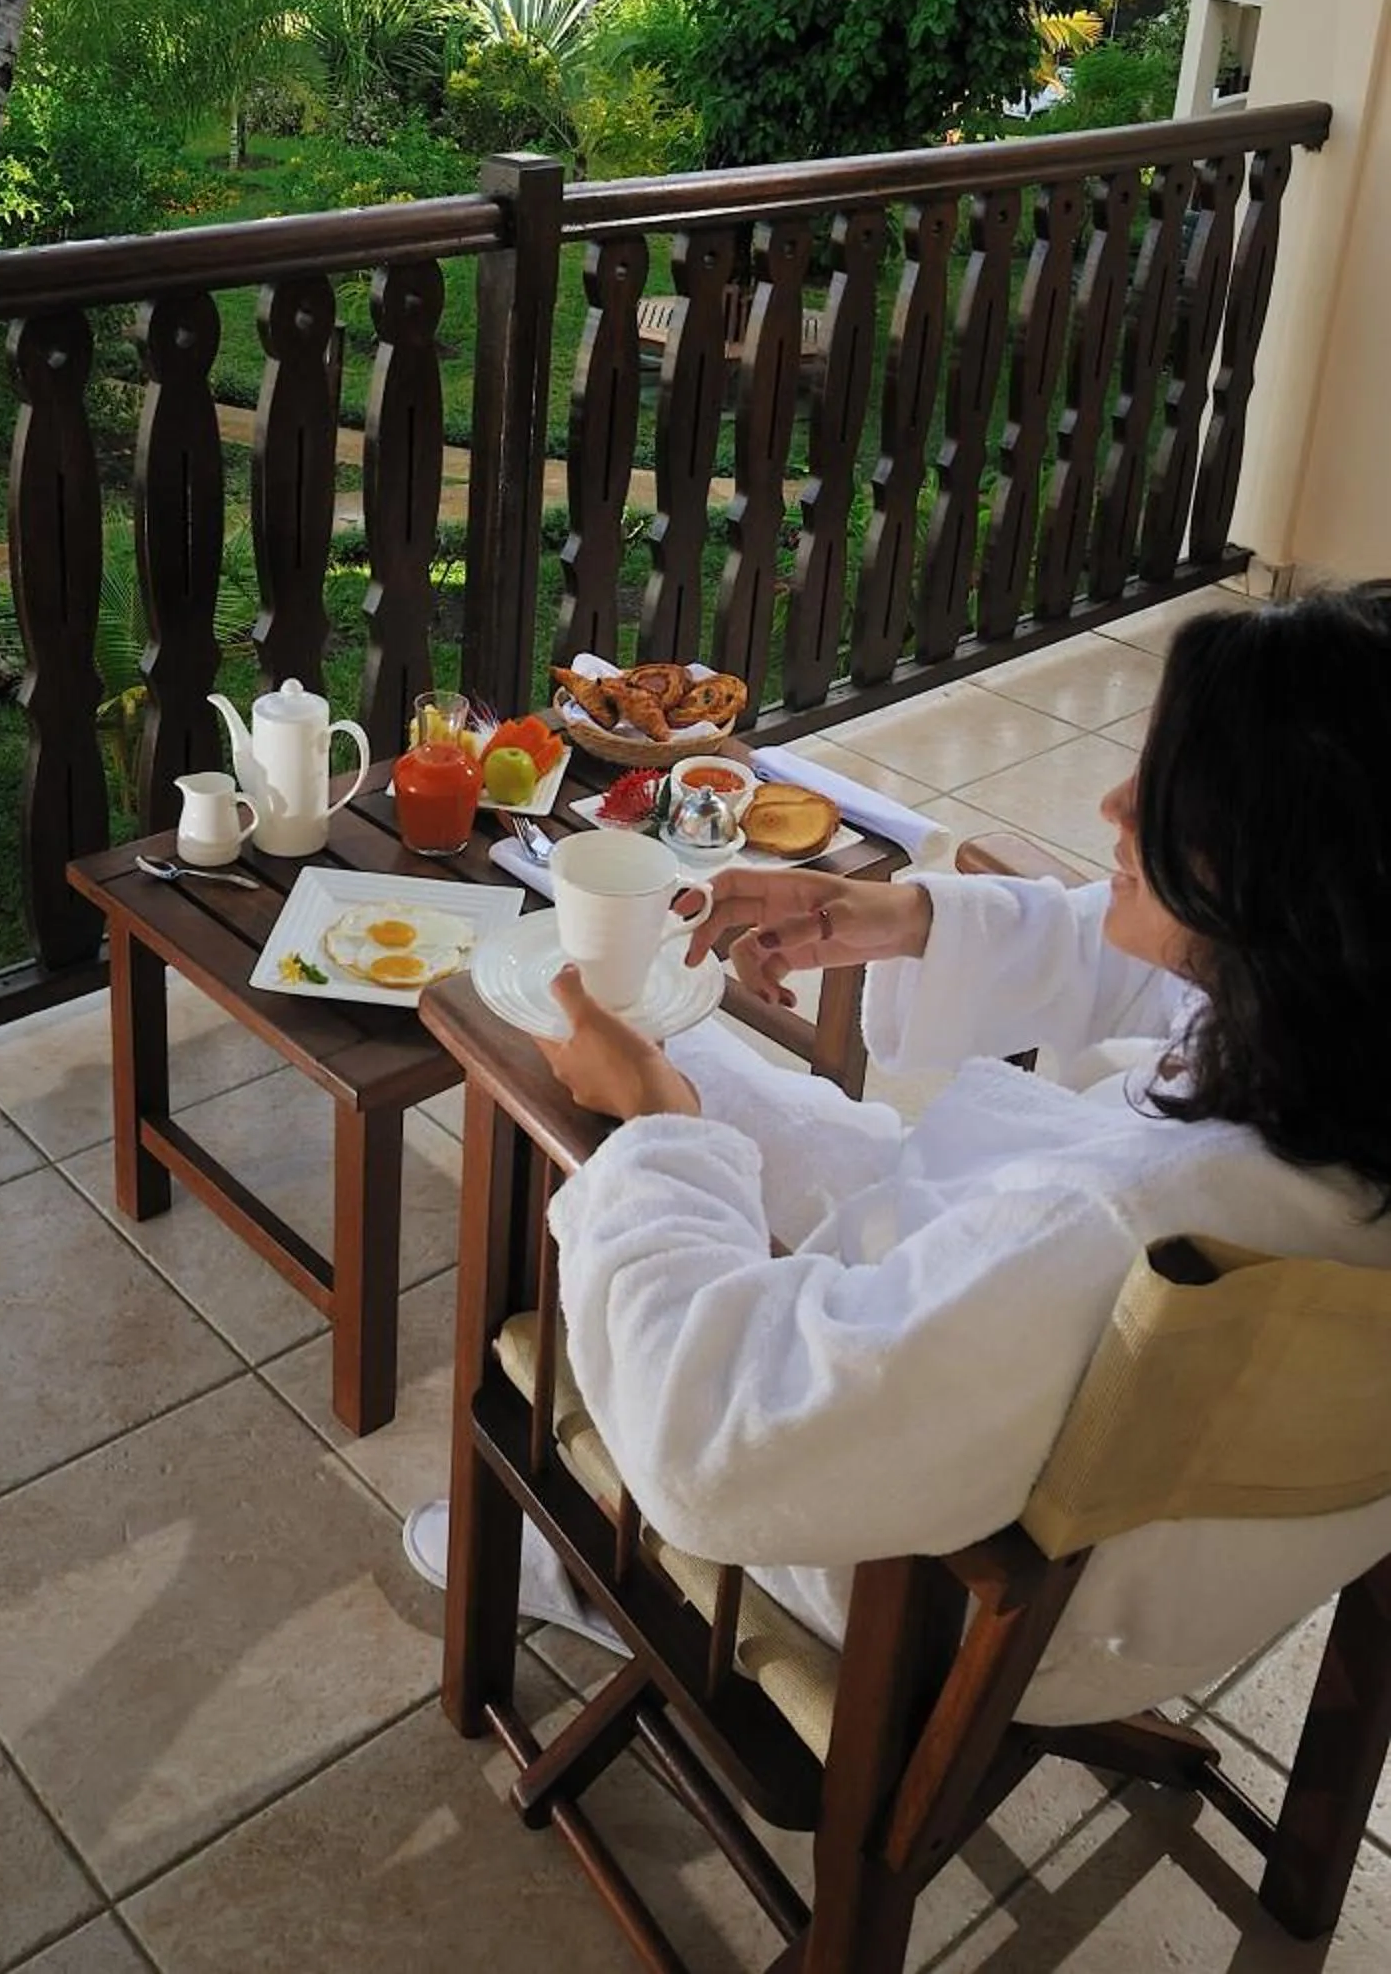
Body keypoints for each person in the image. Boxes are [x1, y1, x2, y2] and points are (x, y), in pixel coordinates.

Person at [406, 587, 1391, 1722]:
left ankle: (577, 1552)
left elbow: (719, 1439)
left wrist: (661, 1133)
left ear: (1282, 873)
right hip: (1171, 1544)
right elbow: (1160, 963)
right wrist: (900, 916)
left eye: (1164, 792)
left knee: (592, 1099)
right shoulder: (1338, 1032)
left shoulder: (1125, 1226)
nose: (1113, 804)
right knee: (674, 1052)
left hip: (948, 1595)